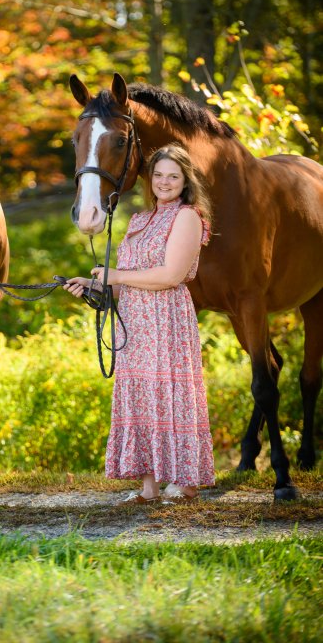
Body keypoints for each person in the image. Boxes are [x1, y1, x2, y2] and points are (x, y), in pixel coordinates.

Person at [64, 144, 215, 503]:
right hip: (134, 321)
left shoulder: (188, 217)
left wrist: (115, 276)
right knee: (140, 397)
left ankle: (184, 481)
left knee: (169, 395)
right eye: (159, 175)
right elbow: (127, 278)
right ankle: (148, 487)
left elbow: (171, 274)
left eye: (173, 176)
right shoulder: (138, 220)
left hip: (167, 321)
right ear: (150, 179)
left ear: (185, 180)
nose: (165, 182)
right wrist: (94, 284)